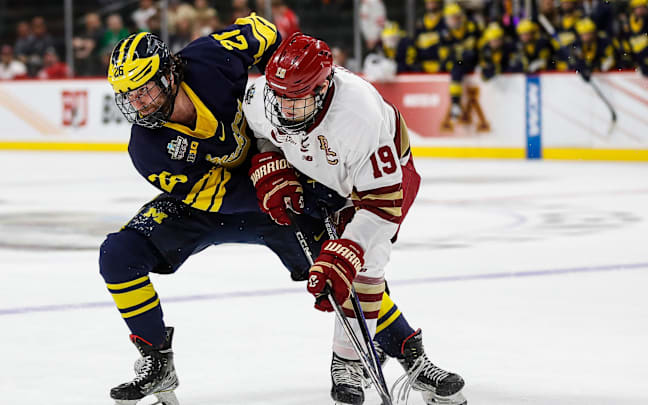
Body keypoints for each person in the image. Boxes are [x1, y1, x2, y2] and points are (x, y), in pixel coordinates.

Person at [103, 16, 464, 405]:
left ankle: (410, 354)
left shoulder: (210, 58)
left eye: (146, 90)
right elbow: (216, 196)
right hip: (230, 201)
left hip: (284, 177)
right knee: (119, 255)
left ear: (170, 73)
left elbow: (266, 33)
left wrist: (293, 92)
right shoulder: (147, 149)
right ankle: (156, 360)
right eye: (130, 96)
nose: (139, 104)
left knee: (346, 271)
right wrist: (287, 187)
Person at [242, 32, 466, 405]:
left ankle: (347, 360)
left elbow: (382, 205)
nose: (282, 110)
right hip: (322, 177)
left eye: (294, 102)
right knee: (345, 272)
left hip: (381, 185)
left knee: (366, 264)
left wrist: (349, 248)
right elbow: (260, 131)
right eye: (278, 98)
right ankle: (406, 354)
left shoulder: (359, 115)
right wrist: (270, 161)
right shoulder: (268, 95)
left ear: (323, 88)